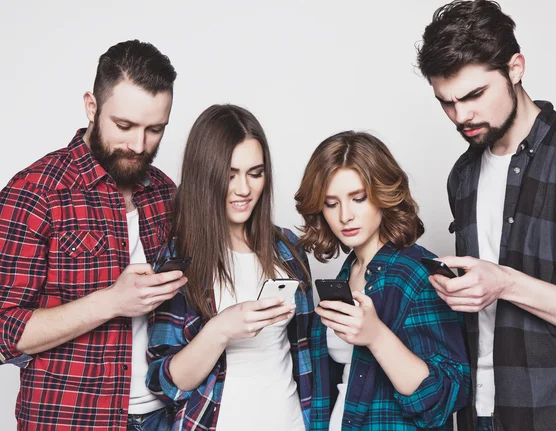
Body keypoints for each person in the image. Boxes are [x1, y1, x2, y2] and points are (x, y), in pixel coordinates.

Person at [417, 1, 556, 430]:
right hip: (479, 412)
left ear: (515, 68)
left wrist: (506, 282)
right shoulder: (463, 175)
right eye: (446, 102)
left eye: (474, 95)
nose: (461, 116)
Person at [0, 39, 186, 431]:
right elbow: (3, 333)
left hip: (164, 417)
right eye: (124, 126)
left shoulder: (167, 195)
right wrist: (111, 302)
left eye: (155, 130)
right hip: (71, 419)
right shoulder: (35, 192)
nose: (138, 145)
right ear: (91, 106)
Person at [146, 104, 313, 431]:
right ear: (205, 175)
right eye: (230, 174)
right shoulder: (180, 260)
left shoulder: (289, 249)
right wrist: (221, 329)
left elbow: (307, 356)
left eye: (255, 173)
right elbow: (165, 383)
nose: (244, 190)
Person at [295, 131, 469, 430]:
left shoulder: (417, 273)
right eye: (331, 203)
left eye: (358, 198)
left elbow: (448, 395)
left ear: (383, 194)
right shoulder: (345, 275)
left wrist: (377, 337)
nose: (345, 216)